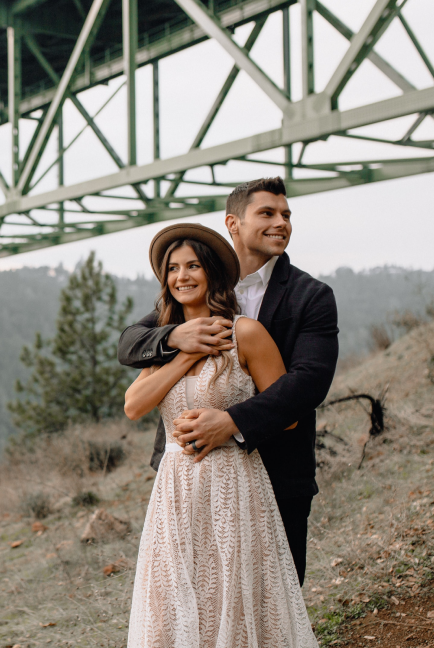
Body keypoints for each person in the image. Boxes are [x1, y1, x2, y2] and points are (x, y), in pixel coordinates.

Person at [118, 177, 339, 586]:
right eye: (267, 213)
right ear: (233, 223)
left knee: (271, 593)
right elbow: (130, 344)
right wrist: (176, 338)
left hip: (279, 470)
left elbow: (308, 382)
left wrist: (232, 422)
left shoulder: (311, 296)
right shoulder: (195, 286)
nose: (281, 223)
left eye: (286, 214)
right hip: (189, 474)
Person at [124, 224, 318, 647]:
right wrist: (183, 352)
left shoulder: (245, 333)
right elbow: (134, 405)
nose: (182, 276)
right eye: (173, 269)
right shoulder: (166, 339)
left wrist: (229, 423)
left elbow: (287, 415)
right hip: (175, 488)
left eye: (193, 265)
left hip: (234, 483)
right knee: (173, 595)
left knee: (233, 591)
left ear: (211, 271)